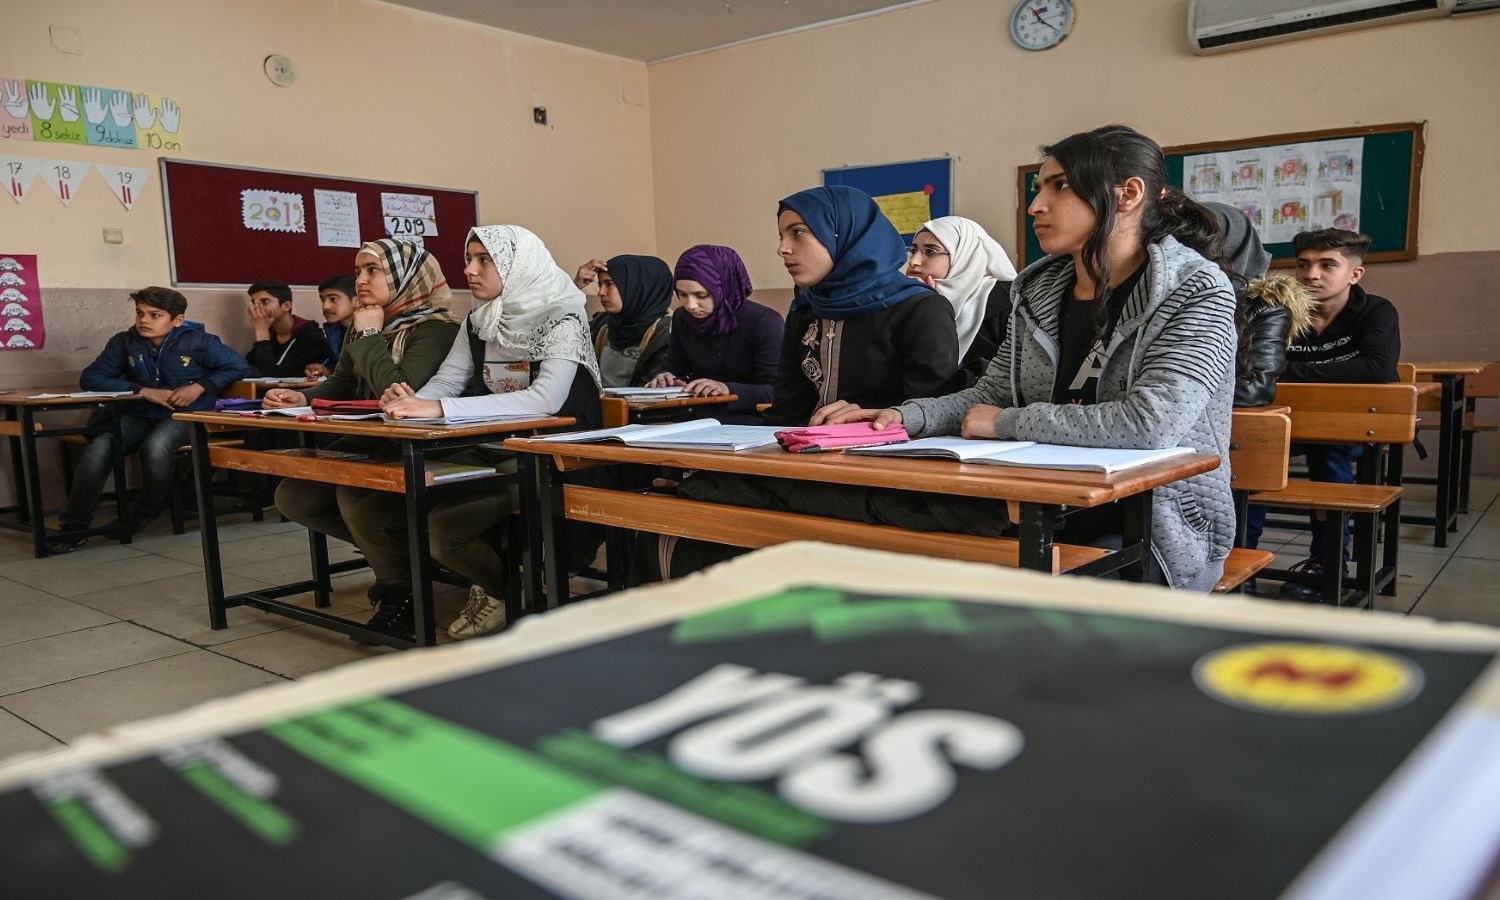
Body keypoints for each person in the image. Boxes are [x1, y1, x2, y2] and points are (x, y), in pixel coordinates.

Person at [823, 125, 1239, 592]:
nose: (1036, 205)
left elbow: (1151, 424)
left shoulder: (1196, 289)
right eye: (1039, 187)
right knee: (863, 519)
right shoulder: (1039, 290)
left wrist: (1005, 423)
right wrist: (901, 417)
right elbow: (991, 393)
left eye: (1059, 186)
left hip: (1151, 519)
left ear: (1129, 195)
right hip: (1036, 495)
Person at [665, 185, 961, 574]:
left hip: (886, 474)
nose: (782, 248)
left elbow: (931, 415)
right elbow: (786, 409)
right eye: (781, 236)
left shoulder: (919, 310)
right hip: (809, 466)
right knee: (692, 500)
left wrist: (868, 421)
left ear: (844, 235)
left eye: (798, 233)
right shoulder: (807, 309)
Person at [362, 225, 603, 640]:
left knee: (444, 530)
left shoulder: (562, 314)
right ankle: (490, 583)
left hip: (553, 456)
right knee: (376, 508)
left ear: (516, 264)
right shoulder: (480, 318)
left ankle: (506, 591)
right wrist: (409, 402)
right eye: (468, 259)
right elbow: (449, 380)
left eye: (484, 260)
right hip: (496, 447)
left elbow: (543, 401)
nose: (469, 270)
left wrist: (437, 408)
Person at [268, 238, 462, 635]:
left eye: (373, 270)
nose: (360, 280)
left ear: (406, 276)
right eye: (358, 271)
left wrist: (371, 335)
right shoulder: (366, 326)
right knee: (294, 496)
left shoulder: (437, 329)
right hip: (374, 440)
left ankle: (400, 590)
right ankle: (407, 559)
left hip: (422, 445)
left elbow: (400, 395)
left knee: (351, 492)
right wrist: (300, 397)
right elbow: (340, 384)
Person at [48, 287, 251, 552]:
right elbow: (91, 378)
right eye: (140, 313)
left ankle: (144, 511)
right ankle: (73, 528)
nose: (144, 320)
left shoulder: (200, 342)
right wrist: (142, 391)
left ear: (177, 320)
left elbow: (238, 367)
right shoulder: (124, 342)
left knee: (156, 447)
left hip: (184, 416)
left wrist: (200, 387)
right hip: (139, 414)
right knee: (99, 446)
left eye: (155, 315)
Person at [1273, 228, 1400, 601]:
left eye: (1328, 265)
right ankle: (1243, 557)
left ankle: (1327, 562)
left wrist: (1290, 375)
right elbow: (1254, 368)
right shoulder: (1280, 312)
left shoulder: (1376, 311)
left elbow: (1377, 369)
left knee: (1328, 452)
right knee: (1252, 448)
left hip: (1349, 427)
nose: (1312, 275)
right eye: (1303, 265)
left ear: (1354, 274)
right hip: (1287, 423)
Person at [642, 244, 782, 424]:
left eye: (701, 295)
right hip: (695, 418)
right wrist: (666, 377)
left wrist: (727, 388)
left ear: (724, 287)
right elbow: (675, 367)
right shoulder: (682, 318)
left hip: (749, 421)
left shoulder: (764, 321)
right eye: (682, 295)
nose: (691, 305)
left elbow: (776, 391)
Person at [905, 216, 1018, 388]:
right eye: (913, 250)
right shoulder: (909, 300)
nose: (914, 261)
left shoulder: (1007, 301)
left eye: (931, 251)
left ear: (966, 254)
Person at [576, 255, 673, 387]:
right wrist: (575, 288)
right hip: (598, 405)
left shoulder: (668, 332)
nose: (601, 292)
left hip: (635, 406)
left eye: (609, 284)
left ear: (638, 286)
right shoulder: (602, 325)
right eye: (600, 285)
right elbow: (557, 336)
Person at [244, 279, 331, 378]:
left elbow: (273, 374)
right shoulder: (271, 333)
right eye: (254, 303)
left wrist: (261, 331)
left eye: (265, 302)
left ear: (286, 306)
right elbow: (246, 366)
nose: (257, 308)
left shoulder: (310, 335)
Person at [307, 274, 356, 379]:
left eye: (333, 299)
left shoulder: (369, 330)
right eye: (322, 299)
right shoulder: (334, 331)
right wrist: (327, 370)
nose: (325, 306)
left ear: (356, 301)